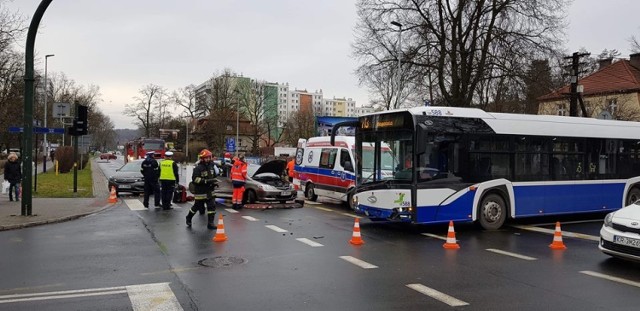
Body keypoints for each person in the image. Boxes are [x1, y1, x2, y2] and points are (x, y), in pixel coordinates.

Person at [186, 149, 218, 229]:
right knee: (196, 207)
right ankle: (188, 218)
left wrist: (214, 182)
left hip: (210, 191)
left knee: (212, 207)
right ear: (202, 158)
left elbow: (213, 176)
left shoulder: (211, 166)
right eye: (206, 158)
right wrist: (206, 181)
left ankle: (210, 223)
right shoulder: (198, 168)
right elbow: (195, 179)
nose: (208, 159)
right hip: (200, 191)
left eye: (209, 157)